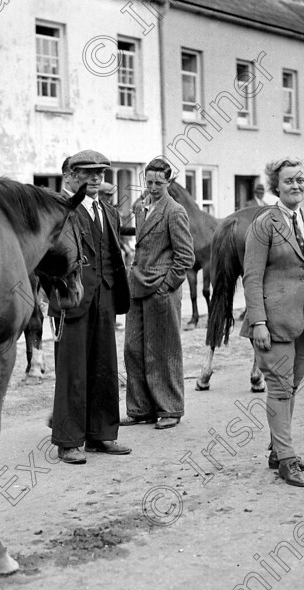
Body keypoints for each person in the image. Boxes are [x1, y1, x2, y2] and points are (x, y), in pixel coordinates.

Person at [240, 157, 304, 487]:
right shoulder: (264, 223)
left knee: (291, 386)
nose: (296, 185)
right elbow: (252, 276)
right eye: (289, 180)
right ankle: (286, 459)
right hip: (273, 322)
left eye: (301, 180)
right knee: (279, 386)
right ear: (276, 185)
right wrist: (258, 322)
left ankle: (280, 449)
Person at [50, 150, 132, 464]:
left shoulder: (109, 212)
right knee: (72, 371)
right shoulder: (57, 211)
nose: (96, 178)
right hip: (71, 299)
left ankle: (101, 435)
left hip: (104, 298)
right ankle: (68, 441)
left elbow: (111, 255)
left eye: (100, 172)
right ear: (70, 176)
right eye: (88, 172)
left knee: (104, 367)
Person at [120, 158, 195, 430]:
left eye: (158, 183)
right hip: (137, 287)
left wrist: (166, 285)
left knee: (164, 351)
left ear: (168, 183)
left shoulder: (174, 211)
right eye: (149, 182)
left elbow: (185, 256)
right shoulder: (141, 208)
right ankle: (141, 409)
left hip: (162, 290)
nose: (152, 187)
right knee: (133, 348)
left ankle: (171, 409)